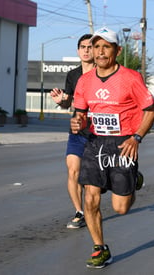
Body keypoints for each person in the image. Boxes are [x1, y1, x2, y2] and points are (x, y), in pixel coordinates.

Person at [70, 27, 154, 268]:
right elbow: (82, 114)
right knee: (91, 197)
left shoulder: (131, 78)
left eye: (105, 46)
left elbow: (151, 110)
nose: (99, 52)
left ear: (117, 50)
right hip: (95, 142)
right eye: (95, 46)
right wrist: (79, 121)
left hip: (124, 143)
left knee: (120, 208)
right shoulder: (84, 81)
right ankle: (100, 248)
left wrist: (137, 138)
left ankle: (133, 179)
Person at [50, 34, 94, 229]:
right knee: (73, 170)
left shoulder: (103, 74)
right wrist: (61, 101)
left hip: (99, 132)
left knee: (99, 178)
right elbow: (69, 102)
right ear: (78, 51)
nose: (86, 50)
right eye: (82, 47)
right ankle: (80, 212)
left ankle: (127, 176)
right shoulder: (73, 75)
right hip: (77, 130)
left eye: (89, 47)